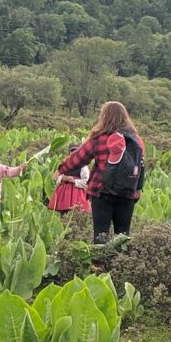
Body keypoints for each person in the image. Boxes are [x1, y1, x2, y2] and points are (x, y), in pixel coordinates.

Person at [56, 101, 145, 243]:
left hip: (102, 191)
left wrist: (60, 170)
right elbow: (140, 165)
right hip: (128, 192)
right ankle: (121, 263)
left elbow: (78, 158)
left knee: (100, 233)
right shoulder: (136, 140)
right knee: (123, 234)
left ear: (104, 117)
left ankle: (98, 265)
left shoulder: (100, 138)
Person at [47, 143, 91, 214]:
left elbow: (87, 182)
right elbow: (55, 178)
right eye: (72, 151)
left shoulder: (83, 166)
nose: (73, 152)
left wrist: (74, 180)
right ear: (69, 152)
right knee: (63, 212)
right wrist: (63, 178)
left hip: (77, 193)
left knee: (76, 211)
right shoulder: (64, 164)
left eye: (76, 151)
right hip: (63, 193)